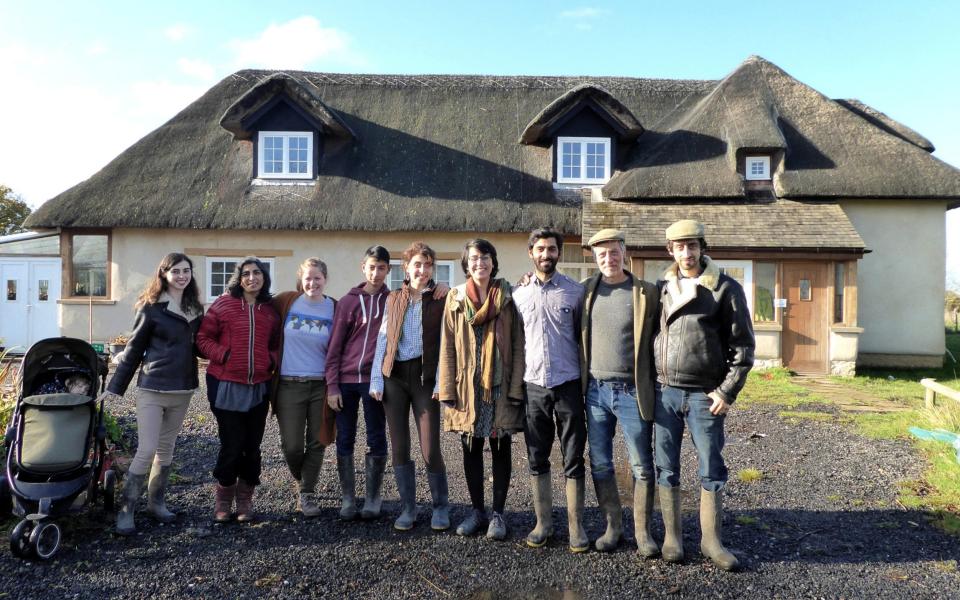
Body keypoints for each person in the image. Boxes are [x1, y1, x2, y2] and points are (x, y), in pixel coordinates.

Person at [654, 219, 755, 571]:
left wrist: (727, 391)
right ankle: (673, 537)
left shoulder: (724, 288)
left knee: (711, 468)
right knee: (665, 468)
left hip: (703, 395)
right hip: (665, 392)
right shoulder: (661, 288)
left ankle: (712, 540)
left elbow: (743, 348)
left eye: (692, 245)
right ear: (670, 250)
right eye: (679, 247)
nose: (686, 253)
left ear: (701, 247)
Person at [107, 253, 204, 536]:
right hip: (153, 387)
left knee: (166, 450)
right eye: (176, 271)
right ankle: (126, 511)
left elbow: (200, 346)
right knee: (146, 449)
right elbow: (135, 348)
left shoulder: (196, 309)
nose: (182, 276)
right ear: (164, 274)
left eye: (186, 271)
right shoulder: (151, 307)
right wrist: (115, 387)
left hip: (183, 388)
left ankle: (156, 504)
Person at [438, 239, 525, 540]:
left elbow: (517, 344)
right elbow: (447, 345)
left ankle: (498, 515)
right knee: (470, 448)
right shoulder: (455, 298)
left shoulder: (508, 296)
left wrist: (516, 387)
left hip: (498, 386)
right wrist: (446, 388)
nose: (480, 263)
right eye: (474, 258)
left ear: (493, 261)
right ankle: (477, 511)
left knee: (500, 447)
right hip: (468, 386)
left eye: (485, 257)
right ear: (466, 264)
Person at [579, 229, 659, 555]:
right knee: (600, 463)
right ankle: (612, 527)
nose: (608, 259)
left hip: (631, 391)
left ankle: (643, 532)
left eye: (614, 252)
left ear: (624, 252)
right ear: (595, 258)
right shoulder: (585, 292)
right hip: (595, 392)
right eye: (602, 255)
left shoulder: (646, 293)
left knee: (641, 464)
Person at [512, 228, 588, 552]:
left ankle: (576, 527)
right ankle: (543, 523)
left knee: (573, 458)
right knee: (536, 456)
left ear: (559, 252)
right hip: (534, 388)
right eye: (540, 249)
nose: (546, 255)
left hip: (568, 385)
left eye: (552, 249)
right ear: (531, 253)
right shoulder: (519, 294)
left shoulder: (575, 292)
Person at [369, 242, 449, 531]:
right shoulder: (393, 298)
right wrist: (377, 379)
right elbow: (382, 340)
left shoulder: (441, 298)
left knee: (430, 448)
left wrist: (441, 381)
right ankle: (408, 508)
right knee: (400, 446)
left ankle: (440, 506)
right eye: (417, 264)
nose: (423, 270)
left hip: (425, 379)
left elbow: (445, 343)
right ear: (406, 267)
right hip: (395, 379)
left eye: (428, 265)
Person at [197, 257, 280, 523]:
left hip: (258, 386)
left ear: (264, 277)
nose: (252, 277)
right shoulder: (223, 305)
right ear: (238, 278)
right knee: (231, 445)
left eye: (257, 272)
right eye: (246, 273)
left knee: (252, 447)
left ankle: (245, 500)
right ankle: (223, 499)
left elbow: (277, 344)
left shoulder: (270, 311)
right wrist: (223, 354)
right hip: (226, 384)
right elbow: (202, 339)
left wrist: (271, 361)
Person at [324, 246, 392, 520]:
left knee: (376, 436)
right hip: (347, 380)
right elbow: (334, 347)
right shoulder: (347, 302)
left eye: (382, 268)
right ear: (363, 267)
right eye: (372, 267)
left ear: (389, 270)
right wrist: (332, 385)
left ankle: (373, 498)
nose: (376, 273)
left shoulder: (393, 301)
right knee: (346, 436)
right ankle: (348, 498)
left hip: (375, 381)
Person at [272, 258, 337, 518]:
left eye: (317, 278)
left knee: (318, 441)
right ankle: (301, 478)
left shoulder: (334, 307)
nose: (312, 283)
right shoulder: (286, 302)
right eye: (308, 278)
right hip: (289, 383)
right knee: (292, 446)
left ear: (325, 279)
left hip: (321, 384)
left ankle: (307, 493)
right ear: (301, 280)